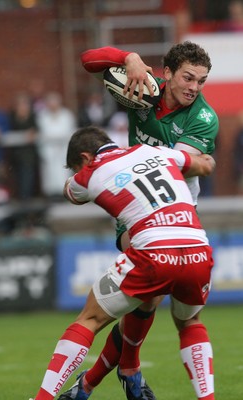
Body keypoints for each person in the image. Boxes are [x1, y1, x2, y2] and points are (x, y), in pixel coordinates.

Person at [30, 125, 216, 400]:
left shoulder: (90, 173)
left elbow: (71, 192)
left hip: (154, 251)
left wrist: (77, 177)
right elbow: (205, 165)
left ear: (84, 158)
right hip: (198, 248)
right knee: (190, 323)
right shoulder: (154, 151)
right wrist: (196, 161)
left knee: (90, 318)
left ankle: (44, 398)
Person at [77, 41, 219, 400]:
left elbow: (174, 163)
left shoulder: (203, 118)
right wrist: (131, 60)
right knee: (152, 297)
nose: (194, 88)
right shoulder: (144, 84)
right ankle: (126, 371)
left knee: (146, 301)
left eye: (201, 81)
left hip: (178, 214)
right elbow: (88, 61)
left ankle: (97, 381)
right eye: (188, 77)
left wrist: (132, 152)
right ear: (167, 73)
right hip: (138, 213)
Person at [36, 92, 77, 201]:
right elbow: (42, 133)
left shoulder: (66, 115)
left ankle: (65, 193)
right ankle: (52, 195)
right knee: (50, 174)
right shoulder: (42, 115)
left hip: (63, 148)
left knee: (63, 172)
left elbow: (69, 131)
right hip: (49, 149)